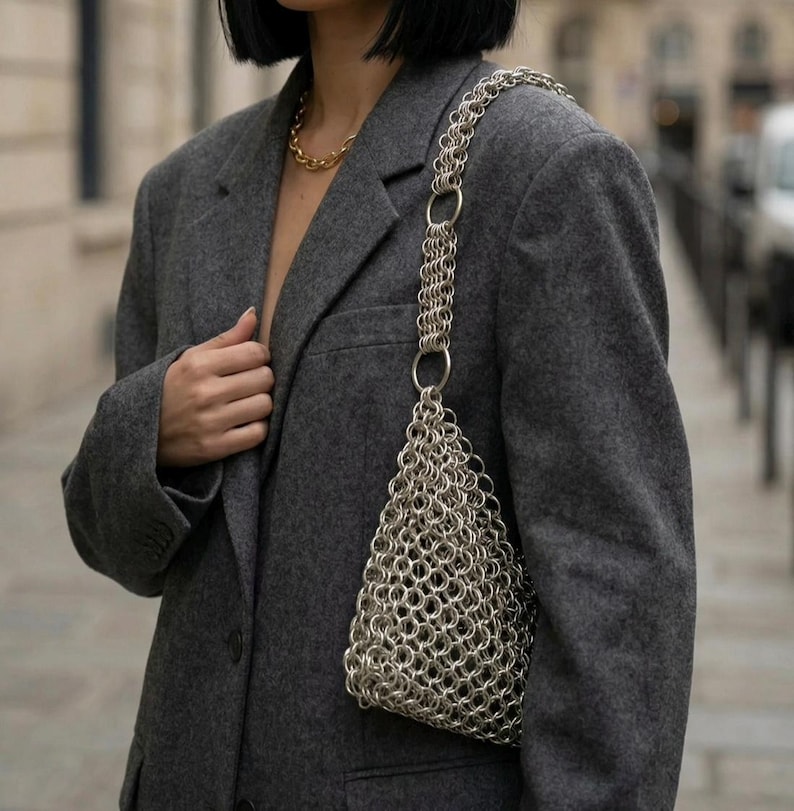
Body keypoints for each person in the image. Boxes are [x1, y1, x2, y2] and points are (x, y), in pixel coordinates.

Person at [61, 0, 697, 808]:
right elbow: (116, 546)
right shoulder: (181, 193)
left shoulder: (546, 169)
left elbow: (618, 587)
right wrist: (153, 433)